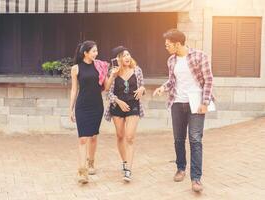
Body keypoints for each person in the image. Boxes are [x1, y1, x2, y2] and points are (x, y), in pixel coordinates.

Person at [153, 29, 214, 192]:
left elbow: (208, 80)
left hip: (196, 104)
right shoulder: (171, 60)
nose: (166, 47)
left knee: (195, 139)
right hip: (177, 103)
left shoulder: (199, 56)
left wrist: (205, 102)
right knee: (178, 139)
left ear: (177, 44)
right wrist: (162, 87)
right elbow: (172, 81)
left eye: (168, 45)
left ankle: (196, 179)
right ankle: (181, 168)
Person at [69, 40, 116, 184]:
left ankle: (91, 162)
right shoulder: (76, 69)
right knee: (83, 138)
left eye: (97, 51)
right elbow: (74, 89)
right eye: (94, 51)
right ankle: (82, 172)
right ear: (86, 53)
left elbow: (106, 87)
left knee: (94, 137)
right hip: (82, 106)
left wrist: (113, 75)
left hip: (96, 106)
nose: (97, 53)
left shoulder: (100, 66)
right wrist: (70, 108)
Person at [104, 46, 145, 182]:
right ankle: (124, 161)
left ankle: (128, 170)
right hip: (117, 107)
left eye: (128, 54)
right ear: (118, 59)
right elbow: (107, 91)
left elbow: (142, 86)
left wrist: (142, 89)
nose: (127, 57)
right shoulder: (113, 72)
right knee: (120, 136)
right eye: (123, 55)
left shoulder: (137, 70)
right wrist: (118, 101)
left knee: (130, 137)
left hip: (133, 106)